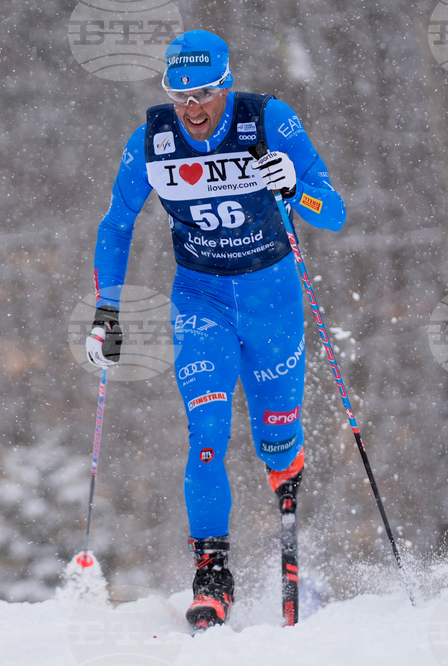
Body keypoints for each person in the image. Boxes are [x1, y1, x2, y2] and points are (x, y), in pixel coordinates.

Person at [85, 30, 346, 629]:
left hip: (273, 297)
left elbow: (333, 211)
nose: (192, 109)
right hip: (201, 298)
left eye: (203, 93)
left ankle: (287, 501)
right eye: (179, 96)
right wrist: (107, 310)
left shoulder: (268, 121)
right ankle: (212, 573)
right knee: (206, 428)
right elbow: (116, 225)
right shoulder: (153, 140)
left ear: (225, 84)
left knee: (277, 438)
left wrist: (294, 188)